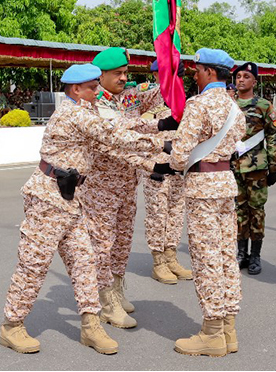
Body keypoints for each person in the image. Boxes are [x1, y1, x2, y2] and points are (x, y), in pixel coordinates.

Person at [0, 63, 165, 355]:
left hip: (71, 197)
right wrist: (163, 144)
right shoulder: (73, 113)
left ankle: (91, 325)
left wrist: (152, 158)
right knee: (34, 264)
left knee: (84, 262)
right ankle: (12, 326)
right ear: (76, 89)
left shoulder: (85, 111)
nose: (97, 91)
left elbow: (111, 140)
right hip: (48, 199)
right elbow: (114, 136)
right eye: (92, 87)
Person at [158, 47, 246, 358]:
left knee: (207, 258)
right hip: (225, 184)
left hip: (202, 188)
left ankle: (211, 333)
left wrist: (172, 160)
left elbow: (181, 155)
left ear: (209, 72)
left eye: (197, 70)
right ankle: (228, 328)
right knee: (225, 257)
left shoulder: (199, 105)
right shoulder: (235, 108)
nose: (194, 74)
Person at [79, 47, 176, 329]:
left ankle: (117, 290)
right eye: (117, 74)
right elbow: (119, 136)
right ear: (101, 76)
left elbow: (162, 94)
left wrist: (171, 68)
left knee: (122, 243)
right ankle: (104, 300)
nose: (123, 78)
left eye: (125, 73)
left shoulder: (130, 96)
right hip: (101, 186)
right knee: (103, 245)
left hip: (127, 183)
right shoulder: (93, 104)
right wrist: (157, 137)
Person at [142, 58, 192, 288]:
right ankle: (158, 261)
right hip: (156, 167)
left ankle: (171, 256)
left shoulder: (182, 99)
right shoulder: (147, 98)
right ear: (154, 74)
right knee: (157, 215)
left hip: (177, 166)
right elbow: (138, 127)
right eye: (162, 73)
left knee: (175, 212)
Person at [230, 62, 276, 275]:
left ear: (254, 81)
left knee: (256, 211)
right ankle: (241, 253)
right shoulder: (228, 104)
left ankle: (256, 255)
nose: (240, 80)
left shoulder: (263, 105)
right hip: (232, 168)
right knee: (238, 211)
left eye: (245, 76)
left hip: (257, 168)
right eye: (238, 76)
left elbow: (274, 134)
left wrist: (273, 165)